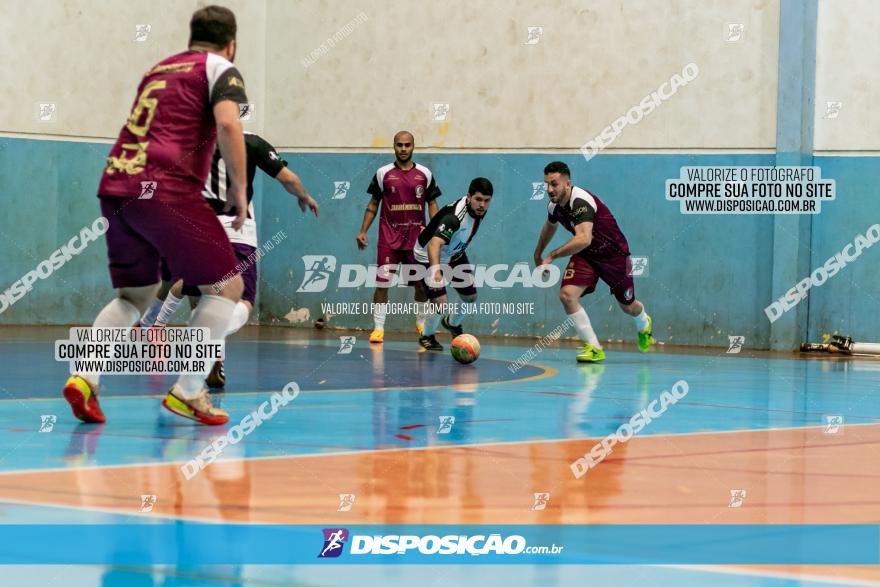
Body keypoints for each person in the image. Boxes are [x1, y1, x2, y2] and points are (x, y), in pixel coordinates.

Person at [61, 6, 249, 425]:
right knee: (228, 287)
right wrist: (239, 189)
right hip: (165, 189)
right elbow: (229, 125)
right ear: (231, 43)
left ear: (191, 37)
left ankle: (85, 377)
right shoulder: (221, 67)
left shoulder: (159, 68)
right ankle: (188, 390)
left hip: (116, 185)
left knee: (135, 295)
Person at [140, 132, 319, 387]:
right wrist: (304, 195)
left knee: (202, 293)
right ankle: (201, 337)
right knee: (241, 302)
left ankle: (198, 351)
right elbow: (287, 178)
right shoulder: (252, 142)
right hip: (237, 231)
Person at [533, 161, 653, 362]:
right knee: (567, 295)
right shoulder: (554, 206)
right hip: (587, 255)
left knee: (628, 306)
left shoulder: (580, 202)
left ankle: (644, 322)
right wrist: (538, 254)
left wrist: (552, 255)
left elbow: (584, 238)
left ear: (567, 184)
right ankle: (594, 347)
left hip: (614, 256)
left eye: (554, 184)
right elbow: (550, 226)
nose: (549, 189)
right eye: (546, 184)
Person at [356, 131, 441, 343]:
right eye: (399, 145)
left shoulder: (425, 174)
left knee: (421, 285)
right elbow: (373, 204)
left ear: (413, 147)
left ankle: (421, 324)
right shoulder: (383, 173)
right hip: (388, 239)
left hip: (416, 241)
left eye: (407, 145)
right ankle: (378, 329)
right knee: (382, 284)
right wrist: (363, 231)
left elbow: (432, 203)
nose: (403, 149)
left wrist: (434, 230)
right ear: (393, 146)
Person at [413, 177, 493, 351]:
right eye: (478, 199)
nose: (482, 205)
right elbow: (434, 244)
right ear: (469, 197)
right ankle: (426, 336)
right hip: (428, 255)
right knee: (440, 303)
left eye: (486, 201)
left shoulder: (479, 210)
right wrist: (435, 272)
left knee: (470, 297)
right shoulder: (454, 218)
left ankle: (451, 323)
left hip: (453, 253)